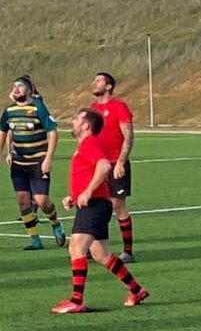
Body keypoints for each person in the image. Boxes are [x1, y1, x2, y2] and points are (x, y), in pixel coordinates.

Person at [52, 108, 148, 314]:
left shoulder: (89, 143)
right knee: (101, 254)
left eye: (77, 118)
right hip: (94, 203)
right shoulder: (85, 146)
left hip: (94, 205)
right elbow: (89, 172)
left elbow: (104, 166)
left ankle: (76, 300)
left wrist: (87, 192)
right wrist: (76, 196)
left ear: (86, 125)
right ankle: (136, 290)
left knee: (76, 249)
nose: (73, 121)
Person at [0, 77, 67, 250]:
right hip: (19, 163)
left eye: (20, 86)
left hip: (38, 161)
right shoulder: (9, 110)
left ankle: (55, 223)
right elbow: (2, 131)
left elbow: (53, 132)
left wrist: (48, 158)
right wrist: (0, 151)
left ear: (28, 90)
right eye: (14, 86)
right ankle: (35, 239)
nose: (16, 89)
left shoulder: (38, 107)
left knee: (42, 201)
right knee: (22, 200)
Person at [90, 71, 136, 259]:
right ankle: (92, 249)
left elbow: (129, 136)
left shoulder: (119, 107)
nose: (94, 83)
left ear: (108, 86)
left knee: (117, 206)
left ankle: (128, 251)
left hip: (115, 163)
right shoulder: (92, 109)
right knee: (95, 206)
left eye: (98, 80)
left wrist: (120, 162)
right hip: (97, 166)